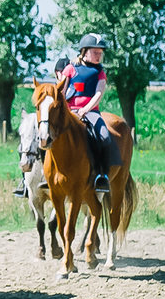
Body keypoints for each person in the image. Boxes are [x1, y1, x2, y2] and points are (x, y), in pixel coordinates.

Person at [61, 34, 111, 193]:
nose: (99, 55)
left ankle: (101, 175)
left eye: (100, 53)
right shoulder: (70, 69)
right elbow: (60, 91)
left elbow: (99, 93)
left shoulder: (100, 72)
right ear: (84, 51)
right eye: (95, 52)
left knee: (104, 136)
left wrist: (85, 109)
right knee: (46, 134)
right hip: (69, 112)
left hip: (90, 112)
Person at [14, 57, 69, 196]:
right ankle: (26, 180)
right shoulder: (50, 89)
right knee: (29, 138)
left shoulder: (72, 86)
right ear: (57, 73)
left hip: (69, 120)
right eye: (63, 73)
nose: (66, 76)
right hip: (51, 123)